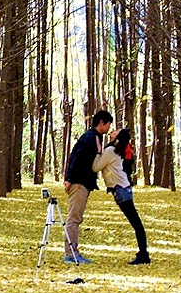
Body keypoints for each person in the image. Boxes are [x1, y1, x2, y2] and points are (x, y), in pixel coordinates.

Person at [62, 109, 113, 264]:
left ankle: (73, 251)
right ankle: (71, 254)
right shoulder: (89, 138)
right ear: (101, 123)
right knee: (74, 218)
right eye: (108, 124)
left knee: (77, 218)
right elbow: (75, 157)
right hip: (78, 183)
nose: (109, 128)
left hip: (84, 182)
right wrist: (69, 179)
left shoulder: (96, 138)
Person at [94, 128, 150, 264]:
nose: (112, 131)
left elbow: (96, 167)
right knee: (136, 222)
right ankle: (143, 253)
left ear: (117, 137)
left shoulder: (110, 151)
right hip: (123, 188)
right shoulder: (115, 150)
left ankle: (144, 254)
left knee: (136, 222)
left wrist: (97, 152)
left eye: (115, 131)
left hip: (121, 190)